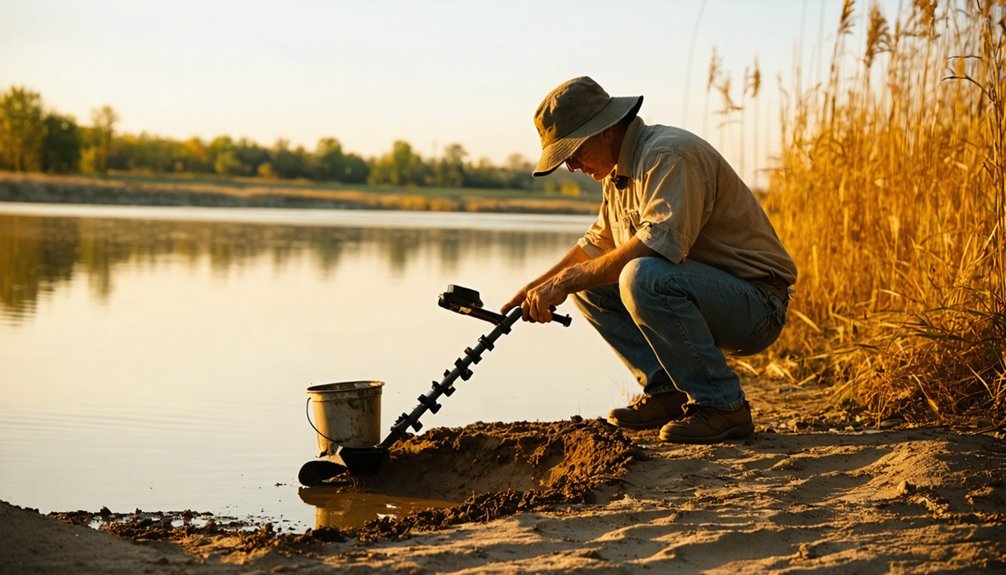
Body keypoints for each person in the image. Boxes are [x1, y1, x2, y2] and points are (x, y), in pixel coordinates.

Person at [501, 76, 797, 443]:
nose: (572, 167)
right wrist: (538, 287)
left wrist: (566, 280)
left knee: (642, 275)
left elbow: (656, 247)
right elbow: (598, 245)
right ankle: (666, 392)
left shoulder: (668, 155)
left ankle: (723, 407)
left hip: (755, 307)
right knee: (587, 287)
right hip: (706, 296)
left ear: (606, 131)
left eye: (573, 153)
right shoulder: (617, 171)